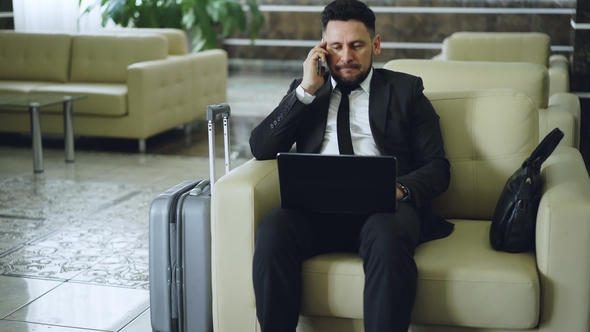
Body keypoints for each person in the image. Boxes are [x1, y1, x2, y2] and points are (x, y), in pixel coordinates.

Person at [249, 0, 454, 331]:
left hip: (385, 212)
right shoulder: (307, 93)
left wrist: (400, 190)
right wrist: (304, 91)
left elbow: (438, 166)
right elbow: (260, 147)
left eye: (356, 45)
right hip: (315, 212)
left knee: (388, 239)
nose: (345, 57)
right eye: (336, 47)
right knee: (273, 231)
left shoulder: (407, 91)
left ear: (375, 44)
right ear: (322, 49)